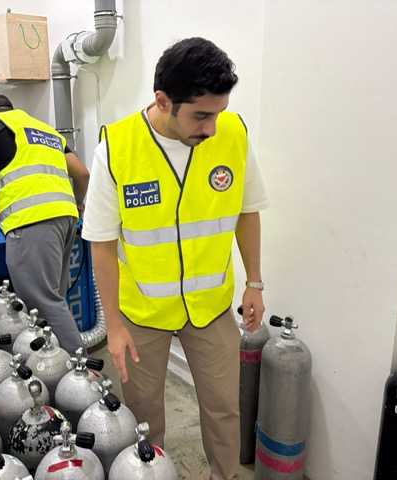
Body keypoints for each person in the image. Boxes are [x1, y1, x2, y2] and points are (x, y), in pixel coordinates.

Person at [82, 38, 268, 480]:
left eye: (219, 113)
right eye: (201, 115)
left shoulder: (232, 135)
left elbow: (247, 211)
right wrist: (115, 326)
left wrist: (254, 282)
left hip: (211, 306)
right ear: (163, 101)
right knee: (145, 416)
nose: (212, 127)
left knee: (224, 408)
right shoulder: (118, 147)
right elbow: (102, 245)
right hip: (143, 312)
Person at [0, 93, 89, 352]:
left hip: (31, 222)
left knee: (43, 303)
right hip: (66, 218)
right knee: (54, 298)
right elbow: (82, 173)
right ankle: (52, 360)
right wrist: (78, 204)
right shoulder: (43, 129)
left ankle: (82, 368)